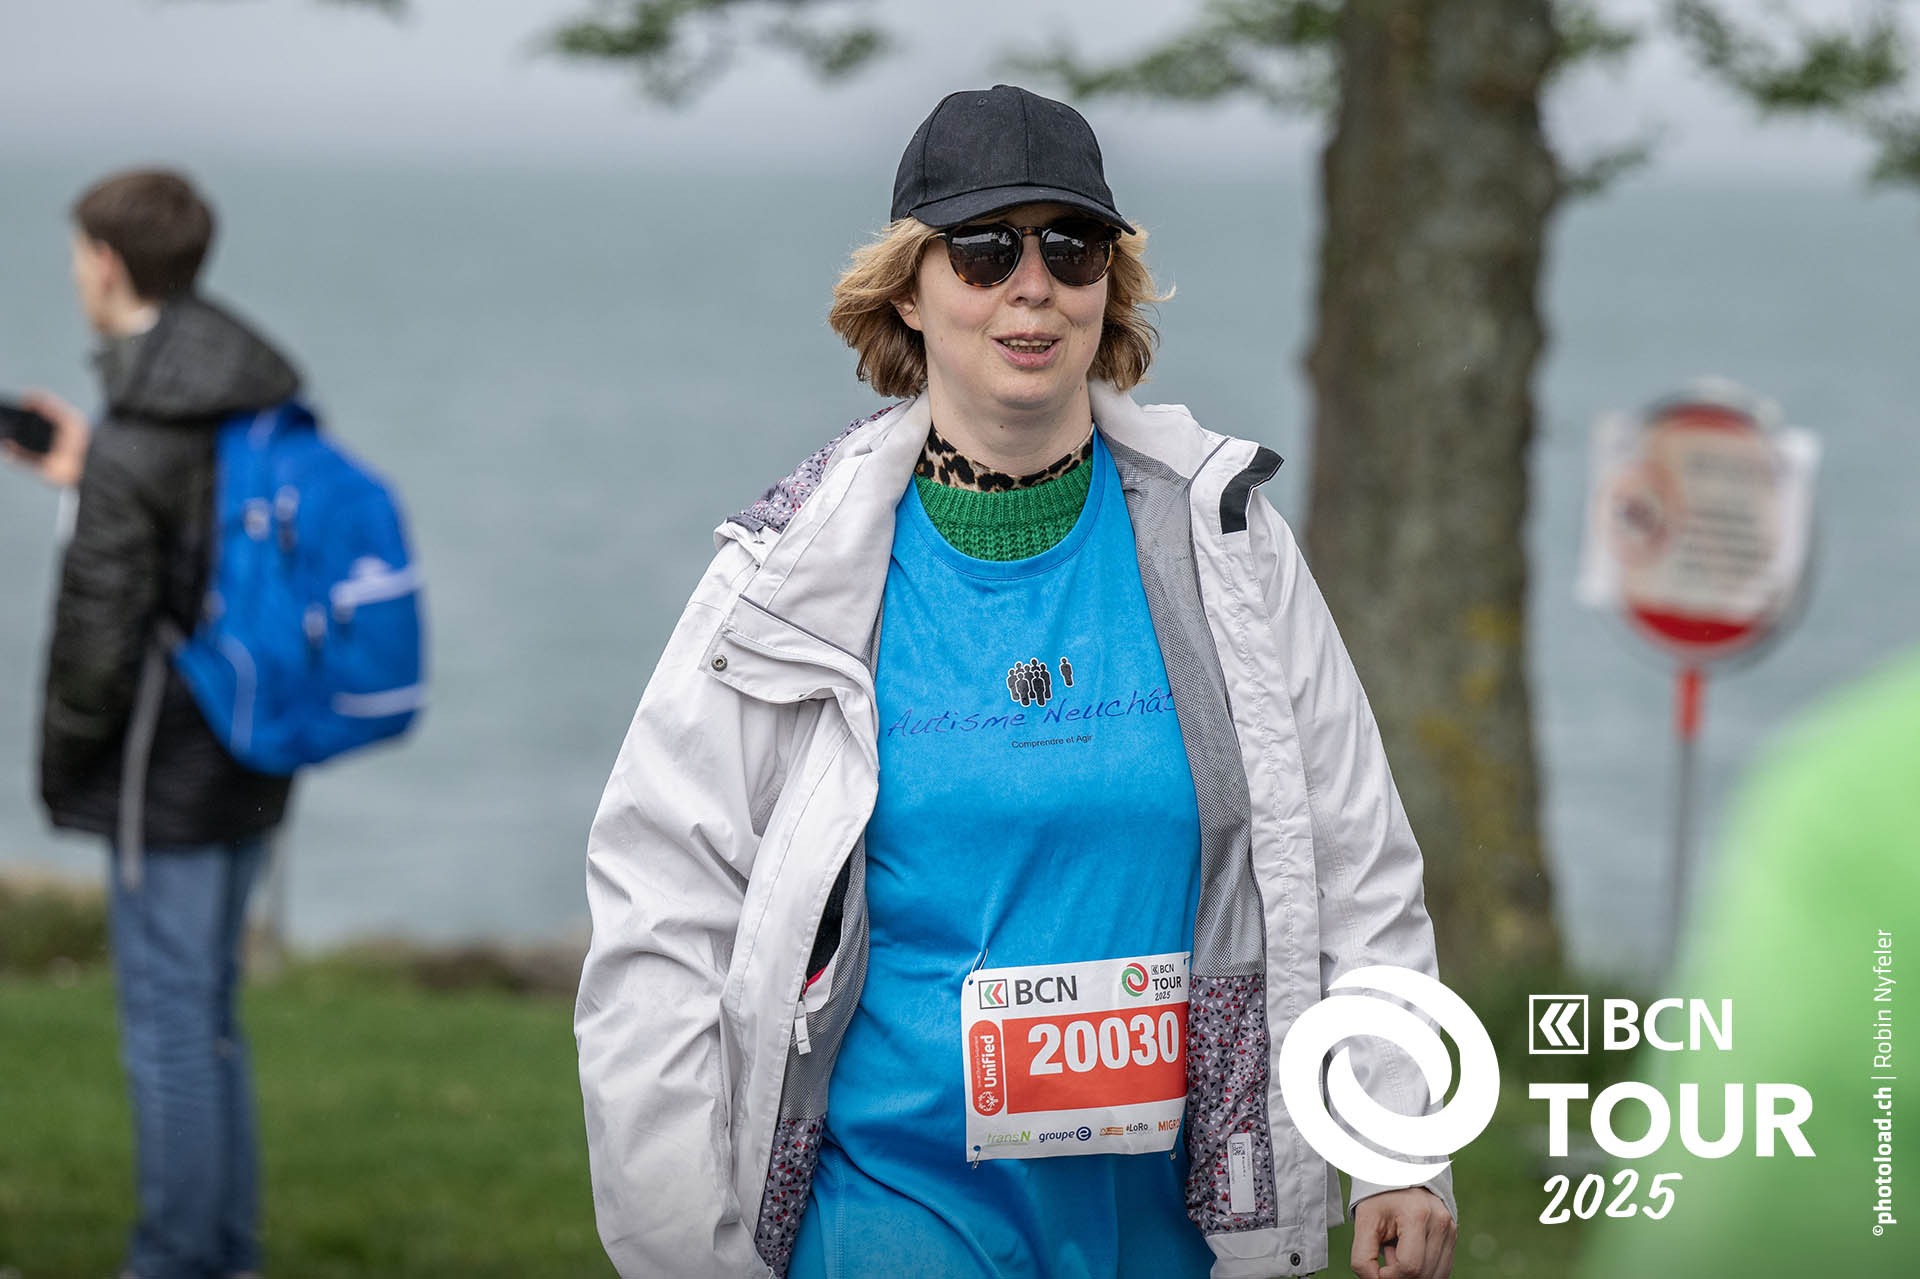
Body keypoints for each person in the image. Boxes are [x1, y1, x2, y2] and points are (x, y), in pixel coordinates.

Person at [576, 85, 1458, 1279]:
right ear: (909, 288)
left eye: (1072, 247)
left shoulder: (1228, 548)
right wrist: (684, 1254)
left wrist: (1399, 1143)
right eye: (986, 250)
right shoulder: (787, 582)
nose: (1032, 285)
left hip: (1173, 1228)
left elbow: (1357, 861)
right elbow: (660, 920)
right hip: (894, 1213)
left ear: (1110, 284)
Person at [3, 169, 302, 1279]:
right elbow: (201, 545)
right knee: (208, 1013)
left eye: (78, 255)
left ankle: (175, 1259)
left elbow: (97, 642)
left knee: (168, 1027)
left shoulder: (143, 431)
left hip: (158, 765)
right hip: (249, 742)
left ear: (107, 263)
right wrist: (91, 475)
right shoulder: (246, 389)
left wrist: (62, 773)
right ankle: (224, 1253)